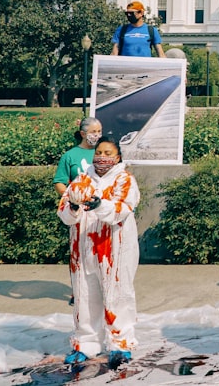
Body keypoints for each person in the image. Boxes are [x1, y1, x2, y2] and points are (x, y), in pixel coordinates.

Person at [57, 137, 139, 368]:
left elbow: (122, 209)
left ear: (118, 157)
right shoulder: (82, 179)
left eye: (108, 153)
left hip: (115, 247)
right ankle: (85, 344)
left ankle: (121, 344)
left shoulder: (125, 180)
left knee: (118, 295)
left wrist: (99, 205)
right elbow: (64, 211)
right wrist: (73, 206)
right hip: (83, 248)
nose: (102, 157)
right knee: (84, 297)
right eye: (99, 152)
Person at [54, 117, 103, 196]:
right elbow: (59, 182)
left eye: (99, 131)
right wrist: (70, 197)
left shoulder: (103, 153)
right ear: (83, 134)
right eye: (93, 132)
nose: (97, 135)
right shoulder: (69, 155)